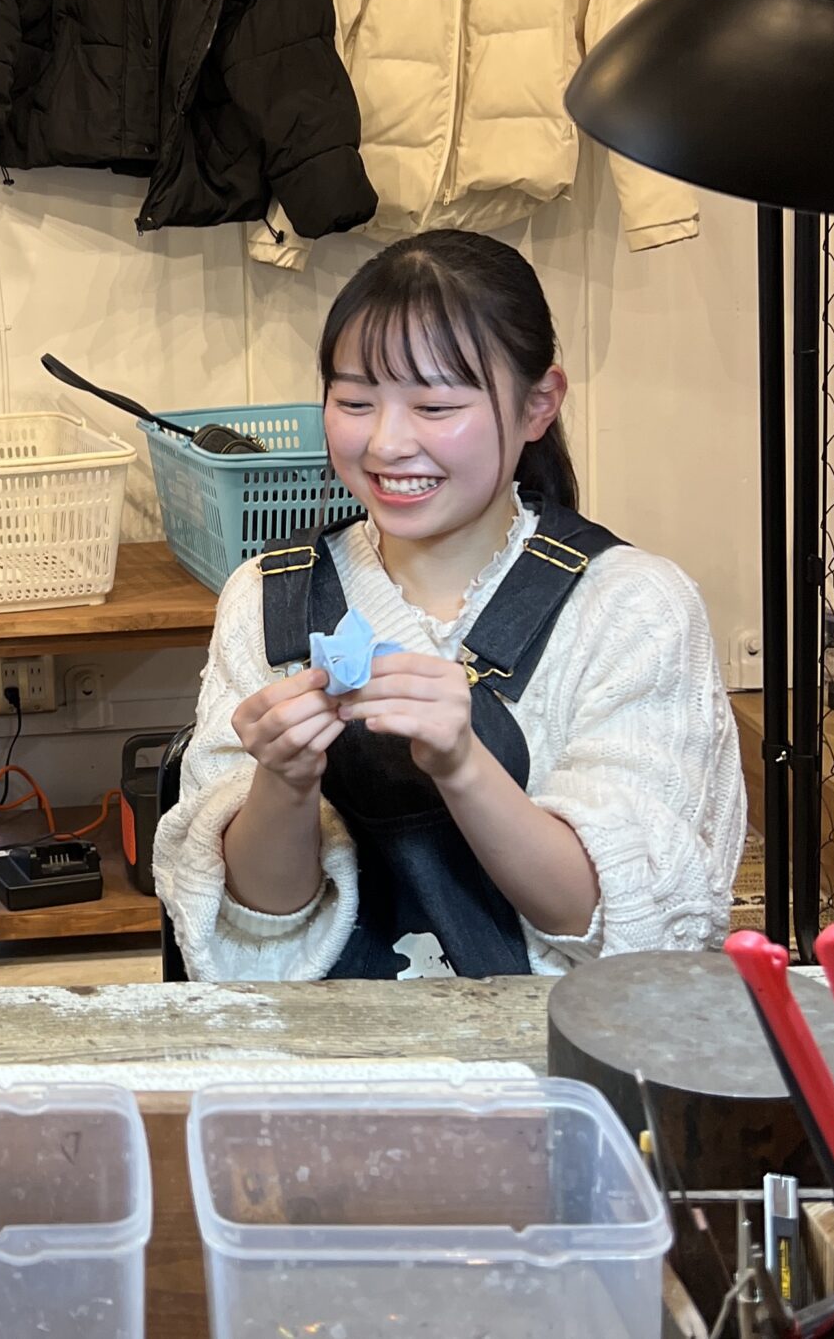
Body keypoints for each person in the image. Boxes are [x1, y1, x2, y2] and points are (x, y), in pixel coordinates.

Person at [155, 230, 744, 981]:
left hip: (554, 1043)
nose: (387, 443)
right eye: (355, 401)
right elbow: (254, 935)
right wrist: (284, 781)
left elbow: (633, 935)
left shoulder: (631, 607)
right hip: (332, 1043)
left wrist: (463, 765)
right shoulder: (270, 597)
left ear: (538, 404)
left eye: (434, 405)